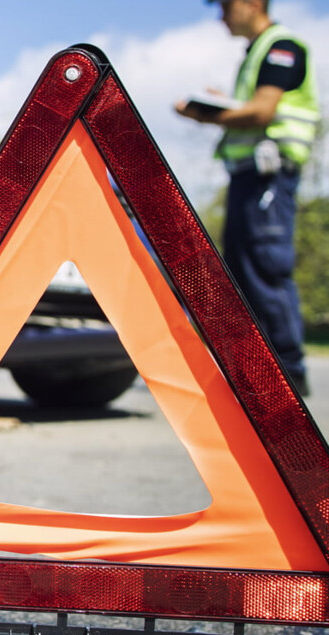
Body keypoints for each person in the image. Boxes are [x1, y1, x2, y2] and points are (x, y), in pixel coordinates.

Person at [175, 0, 320, 396]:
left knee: (266, 267)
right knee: (243, 268)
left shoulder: (280, 47)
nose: (221, 14)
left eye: (225, 4)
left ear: (252, 3)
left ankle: (288, 374)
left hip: (268, 176)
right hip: (249, 177)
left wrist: (206, 115)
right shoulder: (258, 52)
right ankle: (261, 372)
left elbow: (262, 112)